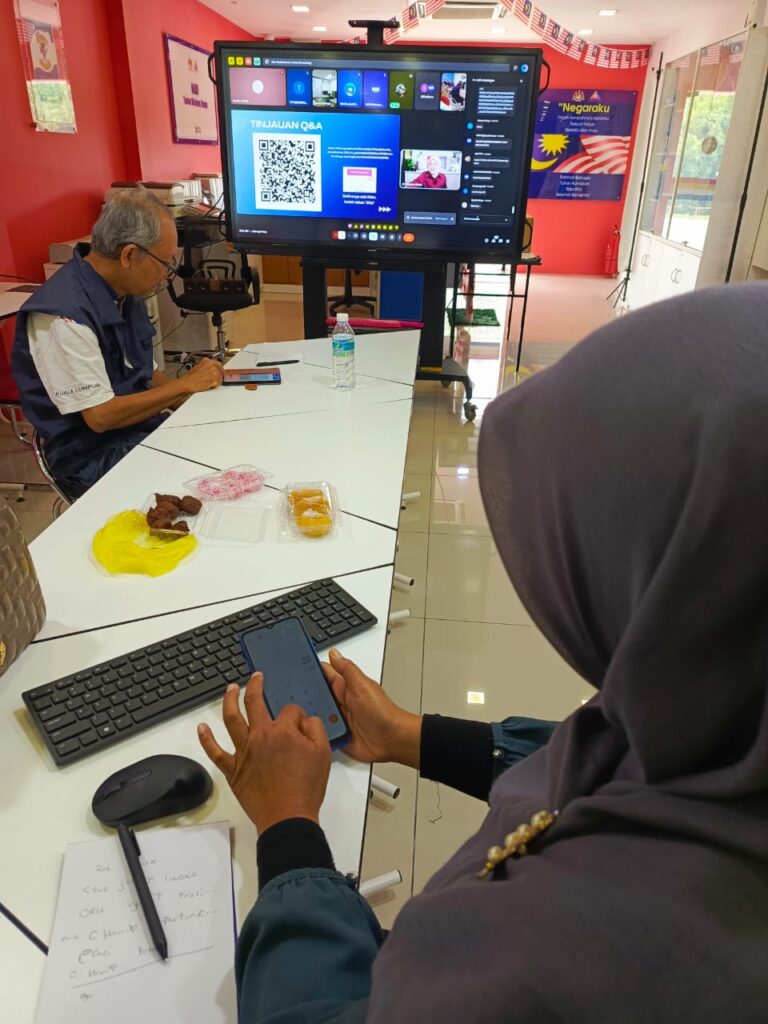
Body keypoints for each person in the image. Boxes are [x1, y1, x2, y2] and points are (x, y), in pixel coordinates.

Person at [198, 282, 768, 1023]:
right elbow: (594, 755)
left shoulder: (588, 943)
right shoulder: (717, 719)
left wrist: (288, 832)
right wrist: (409, 735)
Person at [12, 190, 224, 498]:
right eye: (165, 264)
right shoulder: (63, 317)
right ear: (128, 255)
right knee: (212, 484)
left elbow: (147, 374)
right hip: (91, 456)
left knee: (224, 446)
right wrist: (185, 385)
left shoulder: (123, 291)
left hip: (137, 430)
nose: (167, 275)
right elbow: (101, 417)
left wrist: (199, 407)